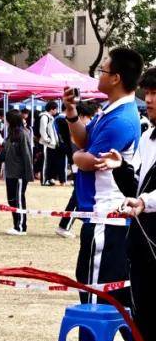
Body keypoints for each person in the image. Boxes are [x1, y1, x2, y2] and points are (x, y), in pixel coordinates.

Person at [96, 67, 156, 341]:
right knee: (144, 317)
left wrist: (146, 202)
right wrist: (121, 167)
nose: (149, 100)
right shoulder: (148, 138)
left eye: (155, 94)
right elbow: (139, 189)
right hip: (143, 245)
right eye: (147, 93)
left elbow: (147, 197)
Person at [63, 47, 143, 306]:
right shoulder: (109, 111)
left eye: (103, 70)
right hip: (98, 216)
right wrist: (71, 112)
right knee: (95, 285)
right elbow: (83, 138)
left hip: (106, 217)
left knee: (97, 293)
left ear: (116, 78)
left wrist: (76, 157)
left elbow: (90, 161)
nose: (99, 75)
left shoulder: (122, 119)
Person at [56, 101, 97, 239]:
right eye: (91, 116)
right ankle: (64, 226)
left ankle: (65, 225)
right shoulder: (76, 128)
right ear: (83, 116)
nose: (92, 119)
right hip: (78, 165)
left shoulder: (73, 126)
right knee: (76, 197)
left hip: (78, 164)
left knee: (77, 196)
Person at [0, 109, 34, 235]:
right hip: (10, 173)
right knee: (11, 200)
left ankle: (21, 227)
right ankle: (16, 225)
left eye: (7, 119)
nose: (5, 121)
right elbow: (5, 151)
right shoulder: (11, 134)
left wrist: (29, 175)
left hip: (20, 174)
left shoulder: (23, 134)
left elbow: (27, 155)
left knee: (18, 199)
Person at [38, 101, 61, 185]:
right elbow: (43, 130)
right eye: (56, 109)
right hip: (46, 144)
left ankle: (48, 178)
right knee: (45, 162)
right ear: (52, 109)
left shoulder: (50, 117)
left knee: (49, 162)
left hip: (51, 144)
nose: (56, 111)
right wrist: (48, 140)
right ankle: (44, 180)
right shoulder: (45, 117)